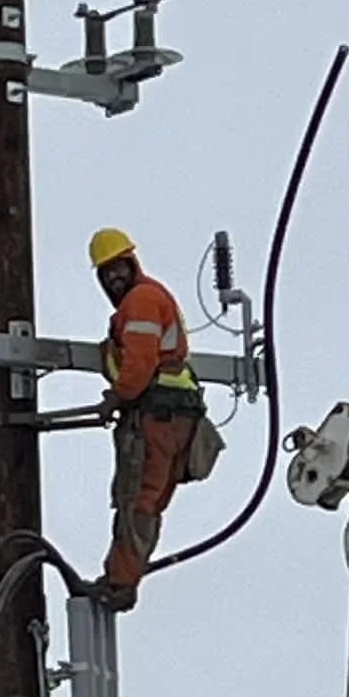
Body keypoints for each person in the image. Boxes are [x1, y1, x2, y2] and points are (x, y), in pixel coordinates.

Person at [88, 227, 208, 611]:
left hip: (157, 418)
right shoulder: (148, 298)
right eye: (106, 274)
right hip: (173, 418)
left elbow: (139, 363)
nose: (113, 278)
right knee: (147, 502)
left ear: (132, 263)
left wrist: (116, 398)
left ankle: (121, 583)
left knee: (137, 500)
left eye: (118, 269)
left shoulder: (140, 301)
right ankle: (123, 576)